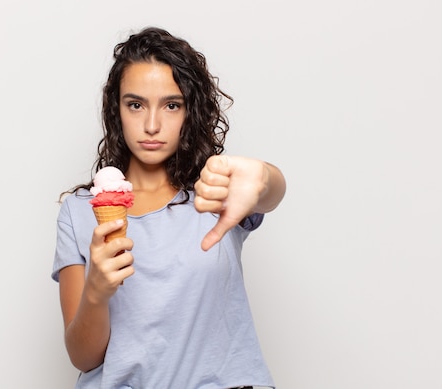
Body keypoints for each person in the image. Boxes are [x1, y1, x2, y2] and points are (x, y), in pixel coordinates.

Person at [52, 27, 286, 389]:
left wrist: (265, 177)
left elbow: (268, 191)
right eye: (135, 105)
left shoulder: (215, 190)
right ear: (116, 110)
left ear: (190, 110)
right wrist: (96, 292)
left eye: (171, 105)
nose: (151, 125)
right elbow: (83, 357)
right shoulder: (80, 211)